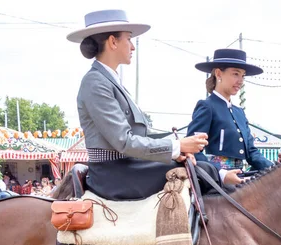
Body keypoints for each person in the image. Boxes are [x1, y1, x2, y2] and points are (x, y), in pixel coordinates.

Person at [67, 9, 209, 200]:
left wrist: (180, 146)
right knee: (202, 172)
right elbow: (124, 141)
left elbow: (140, 133)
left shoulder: (108, 80)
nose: (132, 47)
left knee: (201, 168)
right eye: (129, 39)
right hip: (113, 174)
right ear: (113, 42)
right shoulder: (95, 82)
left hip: (127, 166)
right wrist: (176, 146)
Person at [187, 49, 272, 182]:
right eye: (236, 74)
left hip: (240, 178)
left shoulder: (239, 112)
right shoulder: (207, 106)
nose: (241, 81)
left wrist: (276, 168)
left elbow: (252, 153)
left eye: (243, 76)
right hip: (215, 181)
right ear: (219, 73)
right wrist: (220, 174)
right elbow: (192, 150)